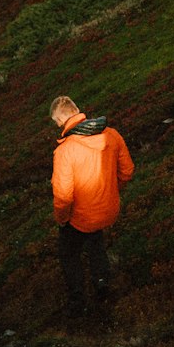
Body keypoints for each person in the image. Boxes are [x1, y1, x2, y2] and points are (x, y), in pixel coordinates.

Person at [50, 95, 134, 322]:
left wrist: (61, 219)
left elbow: (63, 196)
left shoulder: (65, 151)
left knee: (69, 253)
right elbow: (127, 171)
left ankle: (77, 302)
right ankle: (102, 286)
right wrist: (111, 191)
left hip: (81, 216)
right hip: (108, 209)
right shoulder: (112, 135)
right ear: (77, 111)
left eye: (57, 123)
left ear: (60, 119)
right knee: (96, 242)